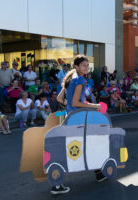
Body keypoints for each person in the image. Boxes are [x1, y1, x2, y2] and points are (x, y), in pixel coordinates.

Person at [55, 55, 103, 194]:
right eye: (83, 65)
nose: (86, 67)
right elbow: (76, 103)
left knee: (84, 146)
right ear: (76, 66)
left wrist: (72, 105)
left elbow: (60, 99)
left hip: (70, 117)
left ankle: (99, 172)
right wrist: (94, 105)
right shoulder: (80, 79)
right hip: (78, 119)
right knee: (82, 148)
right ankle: (57, 183)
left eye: (88, 65)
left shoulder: (70, 79)